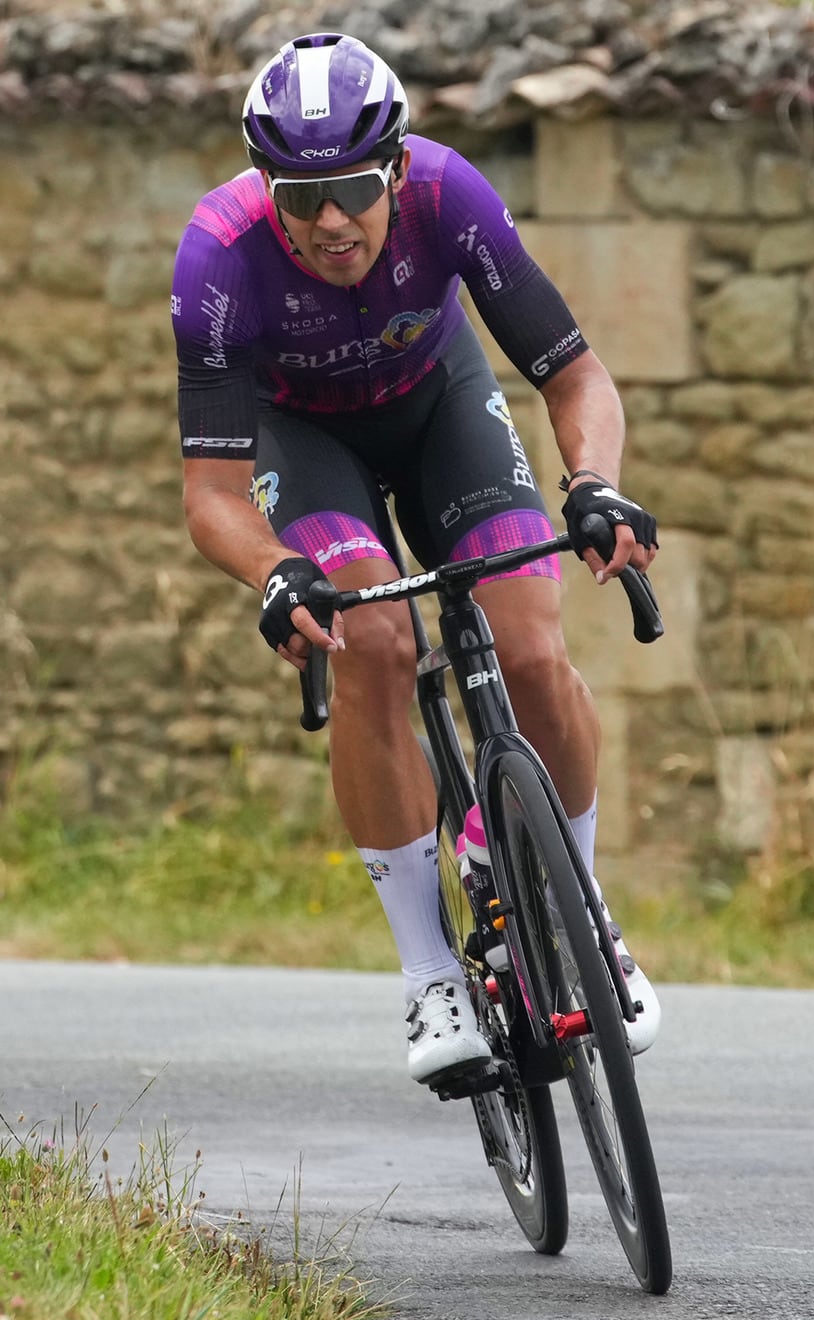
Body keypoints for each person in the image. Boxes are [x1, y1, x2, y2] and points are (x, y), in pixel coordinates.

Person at [169, 32, 662, 1086]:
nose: (329, 220)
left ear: (392, 169)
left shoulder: (448, 197)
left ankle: (580, 914)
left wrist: (592, 485)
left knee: (532, 648)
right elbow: (210, 495)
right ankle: (427, 969)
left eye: (349, 188)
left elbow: (573, 378)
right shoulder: (216, 255)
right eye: (298, 198)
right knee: (375, 645)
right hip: (307, 444)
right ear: (266, 190)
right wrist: (271, 572)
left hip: (440, 404)